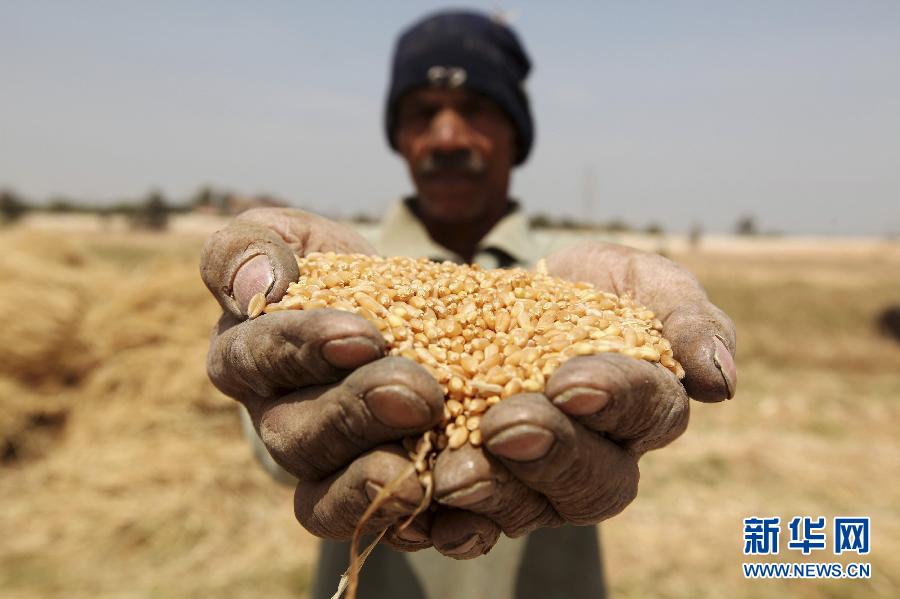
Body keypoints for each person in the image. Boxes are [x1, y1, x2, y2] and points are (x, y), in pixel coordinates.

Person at [200, 10, 737, 599]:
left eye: (476, 107)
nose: (448, 136)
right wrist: (279, 395)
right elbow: (275, 445)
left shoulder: (587, 285)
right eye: (422, 113)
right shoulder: (332, 274)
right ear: (400, 136)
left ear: (516, 131)